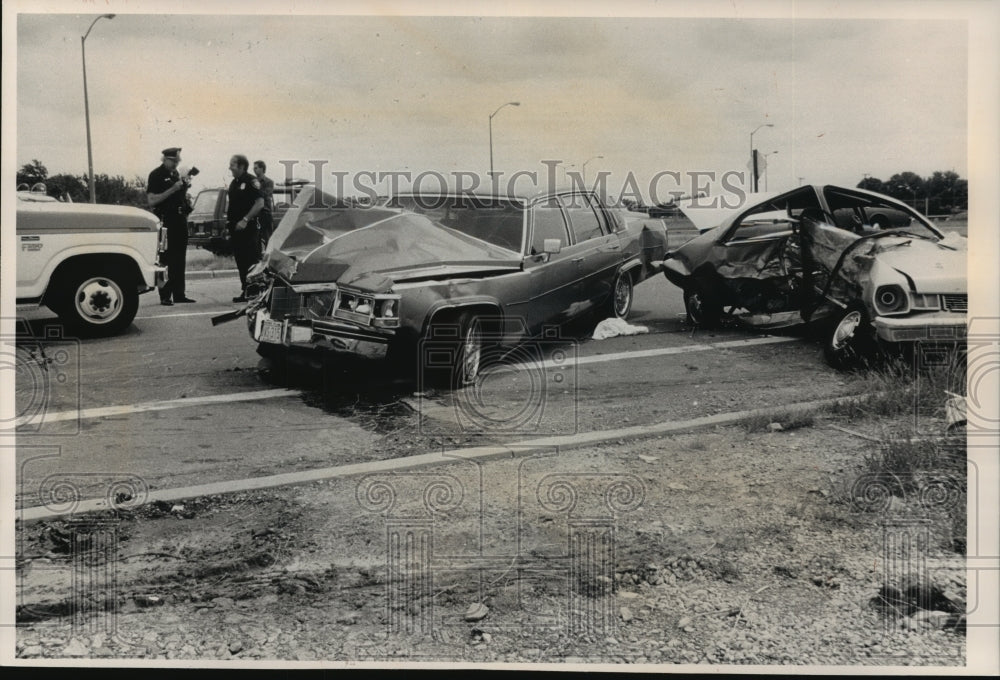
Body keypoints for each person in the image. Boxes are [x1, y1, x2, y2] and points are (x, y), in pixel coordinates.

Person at [147, 147, 195, 305]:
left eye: (178, 161)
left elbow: (178, 197)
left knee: (180, 258)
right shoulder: (156, 175)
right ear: (165, 159)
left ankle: (179, 294)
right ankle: (165, 295)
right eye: (174, 161)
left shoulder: (176, 175)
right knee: (165, 259)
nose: (177, 164)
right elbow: (152, 200)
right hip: (165, 220)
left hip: (179, 219)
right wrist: (173, 189)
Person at [226, 154, 265, 303]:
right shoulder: (233, 183)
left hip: (248, 228)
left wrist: (245, 219)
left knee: (251, 260)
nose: (230, 167)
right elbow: (232, 206)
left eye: (232, 164)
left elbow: (260, 203)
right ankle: (246, 290)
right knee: (241, 261)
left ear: (241, 166)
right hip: (235, 229)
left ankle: (255, 292)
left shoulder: (251, 181)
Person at [253, 160, 275, 252]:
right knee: (255, 238)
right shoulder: (252, 182)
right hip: (255, 213)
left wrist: (256, 188)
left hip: (265, 213)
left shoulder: (269, 182)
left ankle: (269, 257)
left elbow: (266, 195)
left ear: (262, 169)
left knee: (268, 237)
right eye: (253, 168)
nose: (254, 170)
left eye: (256, 168)